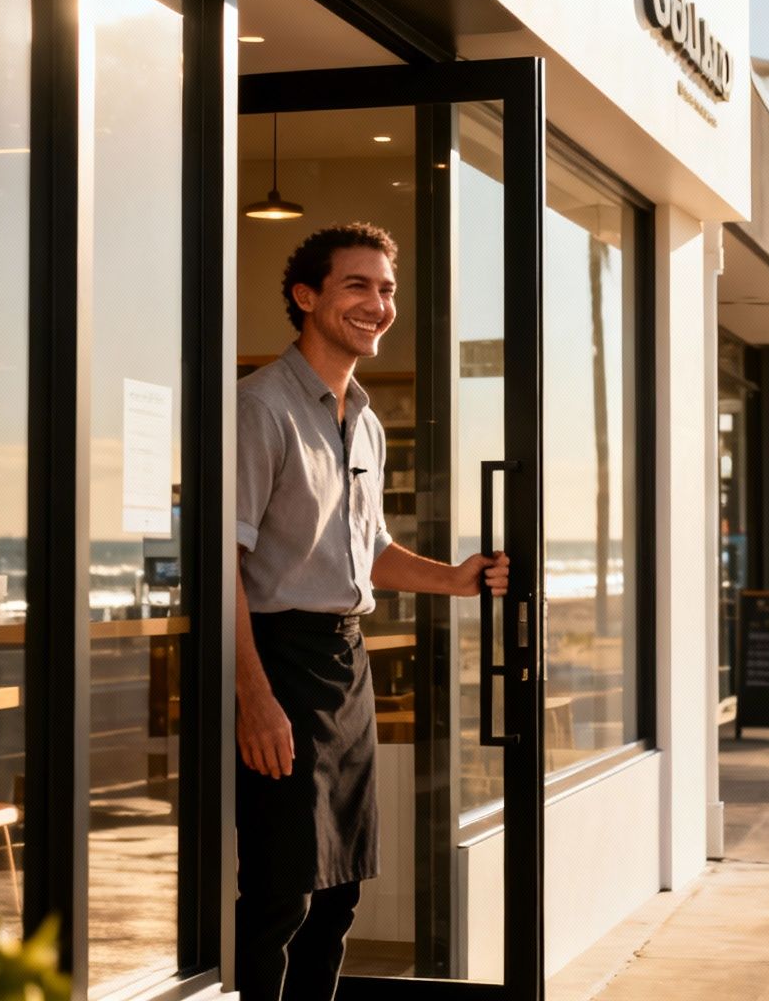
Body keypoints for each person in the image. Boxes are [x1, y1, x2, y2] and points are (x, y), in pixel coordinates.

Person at [235, 223, 510, 1000]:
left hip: (343, 662)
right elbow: (224, 568)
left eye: (386, 289)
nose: (378, 304)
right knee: (280, 892)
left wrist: (456, 581)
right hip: (278, 658)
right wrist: (253, 697)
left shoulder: (365, 419)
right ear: (306, 297)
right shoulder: (259, 410)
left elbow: (370, 550)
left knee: (340, 891)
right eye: (357, 286)